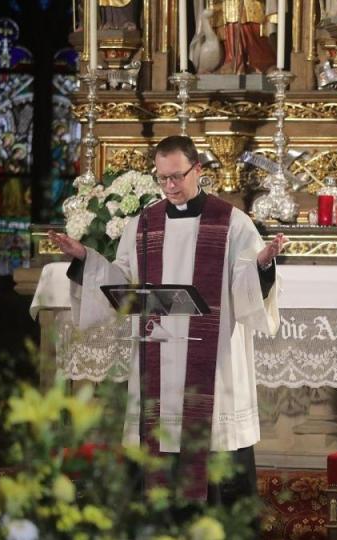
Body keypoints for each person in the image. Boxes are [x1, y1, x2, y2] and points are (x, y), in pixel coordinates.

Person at [48, 135, 286, 503]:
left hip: (213, 360)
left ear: (198, 171)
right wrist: (86, 258)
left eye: (177, 176)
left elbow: (245, 286)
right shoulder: (144, 224)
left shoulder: (232, 223)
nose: (170, 186)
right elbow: (122, 283)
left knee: (215, 453)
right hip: (157, 354)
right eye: (162, 178)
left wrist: (262, 263)